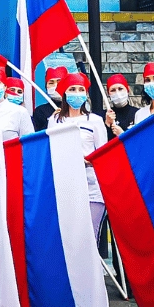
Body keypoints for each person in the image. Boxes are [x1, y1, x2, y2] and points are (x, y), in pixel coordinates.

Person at [50, 72, 114, 236]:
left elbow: (103, 155)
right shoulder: (55, 121)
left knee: (90, 236)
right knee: (69, 237)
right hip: (65, 187)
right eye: (72, 89)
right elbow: (51, 151)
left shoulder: (94, 120)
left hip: (91, 188)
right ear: (65, 93)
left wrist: (86, 161)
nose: (77, 93)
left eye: (81, 90)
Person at [31, 66, 68, 132]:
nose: (56, 86)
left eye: (59, 82)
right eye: (51, 83)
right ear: (46, 87)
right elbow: (38, 135)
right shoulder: (40, 111)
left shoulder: (75, 108)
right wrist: (51, 120)